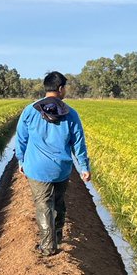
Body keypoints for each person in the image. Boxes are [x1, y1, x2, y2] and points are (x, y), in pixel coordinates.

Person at [15, 71, 91, 257]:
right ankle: (57, 235)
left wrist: (21, 160)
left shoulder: (30, 111)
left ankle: (48, 247)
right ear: (60, 89)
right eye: (65, 87)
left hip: (37, 168)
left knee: (43, 205)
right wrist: (84, 167)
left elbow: (21, 139)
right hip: (61, 170)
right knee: (58, 203)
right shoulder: (71, 114)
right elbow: (78, 143)